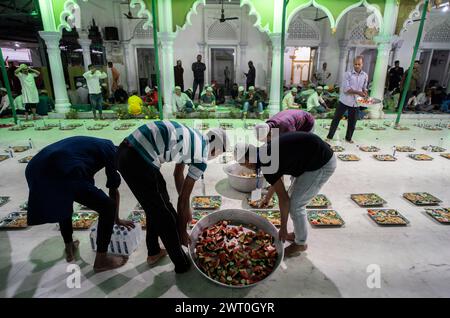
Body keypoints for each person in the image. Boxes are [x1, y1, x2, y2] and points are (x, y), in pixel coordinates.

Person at [117, 121, 228, 272]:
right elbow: (181, 200)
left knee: (156, 205)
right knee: (166, 217)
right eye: (215, 155)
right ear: (215, 150)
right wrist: (182, 232)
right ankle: (182, 264)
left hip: (127, 151)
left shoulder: (194, 137)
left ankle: (154, 252)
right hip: (138, 158)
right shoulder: (201, 156)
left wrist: (187, 207)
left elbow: (178, 175)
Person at [25, 136, 134, 271]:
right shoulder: (112, 152)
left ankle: (69, 245)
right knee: (107, 206)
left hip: (35, 167)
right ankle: (101, 260)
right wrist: (116, 218)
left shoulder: (98, 144)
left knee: (63, 197)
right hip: (60, 168)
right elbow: (113, 189)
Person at [234, 132, 336, 256]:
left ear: (248, 159)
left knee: (296, 205)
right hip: (312, 156)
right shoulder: (263, 151)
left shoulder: (266, 163)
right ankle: (298, 235)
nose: (246, 167)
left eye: (243, 164)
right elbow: (278, 177)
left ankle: (300, 244)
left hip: (321, 163)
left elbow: (284, 200)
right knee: (293, 198)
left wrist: (283, 228)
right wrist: (268, 197)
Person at [326, 56, 368, 144]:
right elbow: (346, 89)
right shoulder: (347, 74)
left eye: (359, 64)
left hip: (356, 102)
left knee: (353, 121)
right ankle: (329, 136)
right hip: (344, 100)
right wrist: (359, 93)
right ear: (353, 64)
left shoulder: (365, 75)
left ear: (362, 64)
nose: (357, 66)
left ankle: (348, 138)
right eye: (355, 64)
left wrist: (365, 93)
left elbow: (364, 87)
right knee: (336, 118)